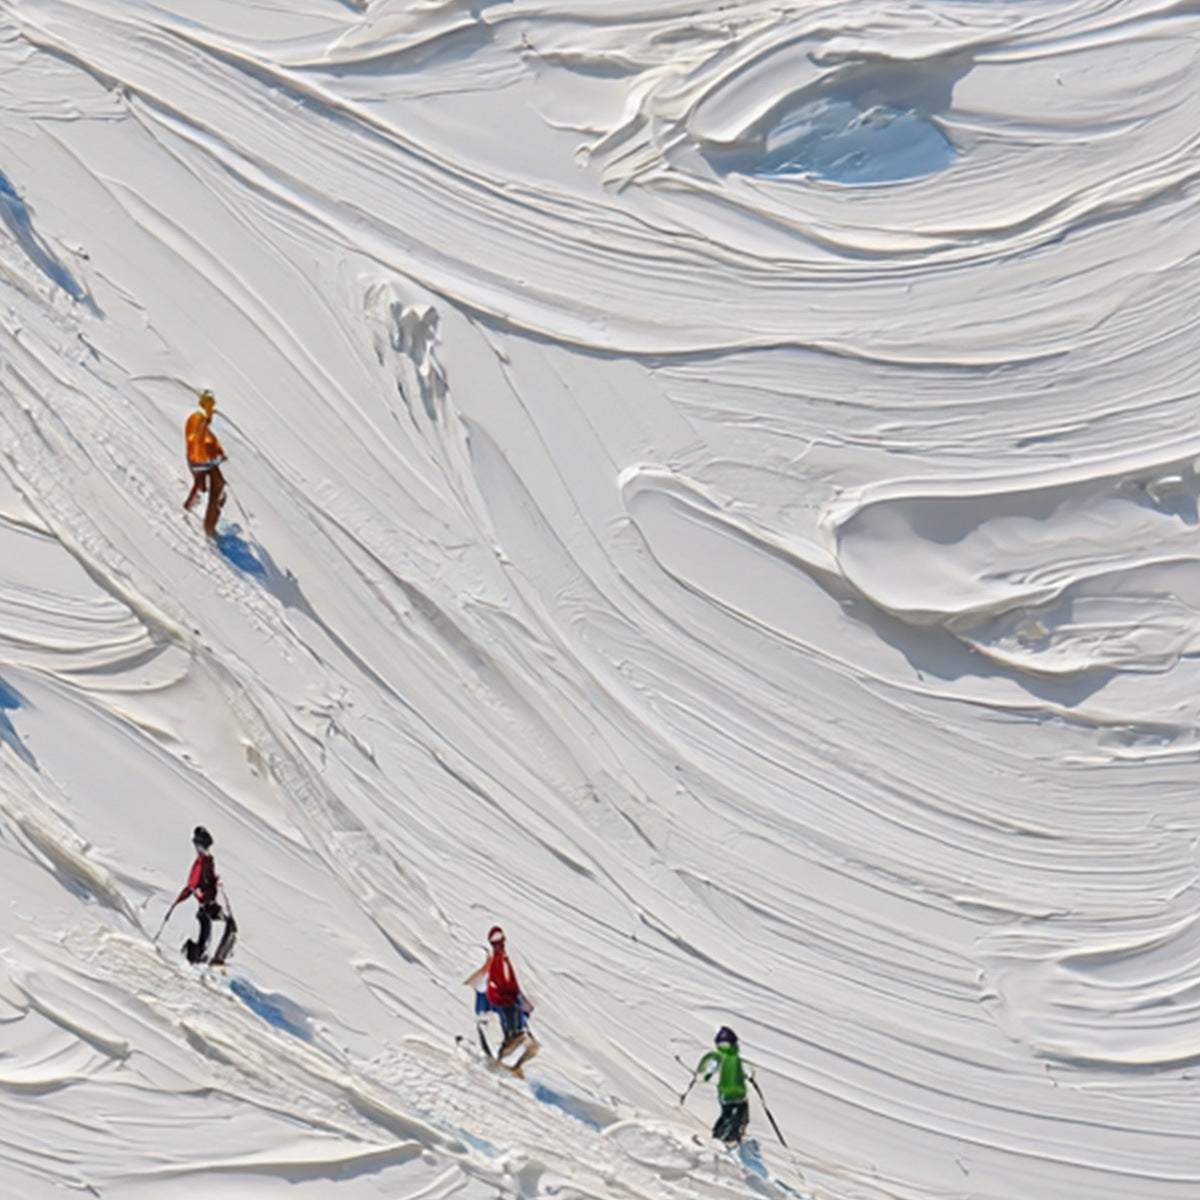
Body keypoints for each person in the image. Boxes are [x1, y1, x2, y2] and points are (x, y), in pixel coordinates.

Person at [464, 925, 537, 1067]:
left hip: (501, 1005)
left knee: (503, 1013)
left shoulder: (499, 963)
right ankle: (510, 1044)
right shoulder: (492, 969)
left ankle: (513, 1041)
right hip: (494, 1006)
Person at [174, 825, 235, 965]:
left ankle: (207, 957)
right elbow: (192, 884)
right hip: (206, 905)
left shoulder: (207, 861)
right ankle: (202, 957)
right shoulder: (201, 863)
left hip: (209, 903)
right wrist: (190, 894)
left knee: (217, 929)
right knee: (220, 927)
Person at [696, 1026, 751, 1145]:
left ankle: (721, 1136)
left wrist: (706, 1075)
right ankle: (733, 1137)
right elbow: (744, 1069)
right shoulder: (736, 1056)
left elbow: (712, 1066)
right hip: (740, 1090)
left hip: (726, 1090)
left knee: (727, 1115)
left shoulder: (719, 1055)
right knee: (741, 1115)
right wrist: (748, 1076)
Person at [183, 389, 226, 537]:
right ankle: (209, 528)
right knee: (217, 489)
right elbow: (196, 441)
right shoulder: (198, 418)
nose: (211, 406)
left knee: (210, 488)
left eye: (212, 403)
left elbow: (210, 440)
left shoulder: (205, 418)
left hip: (203, 461)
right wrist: (208, 458)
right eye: (208, 403)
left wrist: (220, 453)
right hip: (200, 462)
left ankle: (193, 505)